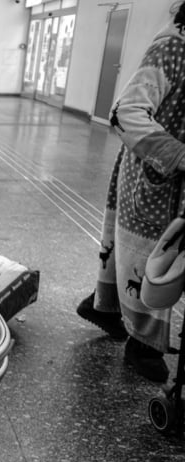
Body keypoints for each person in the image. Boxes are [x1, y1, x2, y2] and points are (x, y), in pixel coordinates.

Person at [77, 1, 185, 383]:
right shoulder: (173, 48)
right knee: (150, 257)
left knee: (133, 252)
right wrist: (177, 154)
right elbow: (125, 112)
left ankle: (104, 308)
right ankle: (143, 342)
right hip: (154, 173)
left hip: (162, 176)